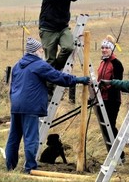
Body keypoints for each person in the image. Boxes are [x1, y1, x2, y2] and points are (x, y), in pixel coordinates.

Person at [5, 37, 90, 173]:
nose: (42, 51)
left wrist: (14, 102)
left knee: (13, 137)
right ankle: (30, 168)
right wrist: (78, 80)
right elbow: (58, 77)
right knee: (31, 138)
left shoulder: (17, 65)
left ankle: (9, 167)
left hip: (16, 105)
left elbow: (12, 86)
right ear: (36, 51)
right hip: (30, 106)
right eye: (41, 49)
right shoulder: (39, 65)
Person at [39, 0, 84, 71]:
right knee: (50, 60)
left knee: (69, 47)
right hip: (48, 28)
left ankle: (56, 70)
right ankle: (49, 86)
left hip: (63, 28)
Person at [97, 35, 125, 161]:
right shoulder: (102, 62)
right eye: (102, 47)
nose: (104, 50)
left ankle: (120, 154)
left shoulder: (117, 64)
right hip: (101, 98)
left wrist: (105, 85)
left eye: (107, 48)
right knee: (105, 126)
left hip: (112, 99)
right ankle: (113, 153)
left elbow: (117, 82)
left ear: (112, 49)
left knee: (110, 125)